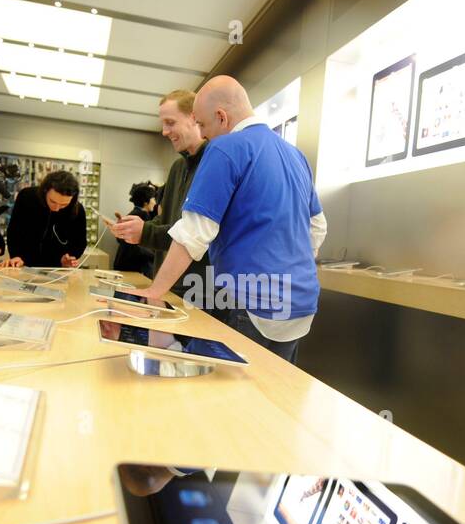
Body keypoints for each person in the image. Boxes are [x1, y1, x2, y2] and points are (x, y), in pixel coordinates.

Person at [131, 76, 327, 364]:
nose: (205, 136)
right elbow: (318, 226)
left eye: (205, 128)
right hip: (299, 303)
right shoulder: (295, 155)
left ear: (222, 118)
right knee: (275, 391)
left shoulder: (225, 149)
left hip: (250, 301)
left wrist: (154, 291)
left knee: (231, 397)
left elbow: (193, 233)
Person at [110, 89, 209, 285]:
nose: (164, 131)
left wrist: (145, 232)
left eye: (171, 123)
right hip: (168, 283)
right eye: (163, 124)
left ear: (194, 118)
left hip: (199, 287)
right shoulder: (177, 167)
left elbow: (195, 233)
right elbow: (166, 220)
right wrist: (134, 228)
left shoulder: (214, 164)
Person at [2, 170, 86, 268]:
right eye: (53, 201)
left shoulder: (77, 210)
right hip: (23, 264)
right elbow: (14, 232)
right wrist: (16, 256)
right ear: (45, 190)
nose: (57, 208)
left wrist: (69, 258)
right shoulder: (26, 197)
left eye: (64, 205)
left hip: (56, 269)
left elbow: (79, 243)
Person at [111, 181, 158, 276]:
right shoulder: (141, 216)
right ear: (146, 202)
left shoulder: (134, 213)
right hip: (131, 266)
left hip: (124, 263)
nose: (155, 202)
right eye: (153, 199)